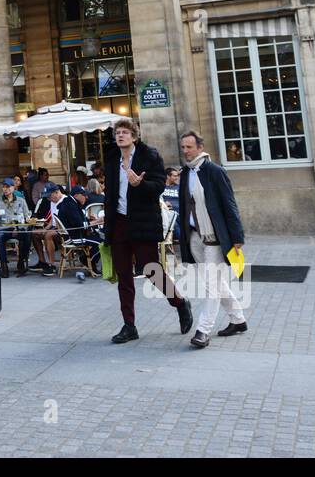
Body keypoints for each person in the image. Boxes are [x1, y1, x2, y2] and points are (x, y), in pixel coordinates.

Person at [104, 119, 192, 343]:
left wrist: (139, 185)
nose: (120, 136)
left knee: (153, 270)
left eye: (125, 132)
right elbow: (111, 194)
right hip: (119, 223)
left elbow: (159, 187)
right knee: (124, 275)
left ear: (134, 136)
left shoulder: (149, 156)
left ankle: (180, 303)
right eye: (118, 132)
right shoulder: (112, 157)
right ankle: (129, 326)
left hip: (142, 221)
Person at [177, 132, 247, 348]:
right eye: (183, 147)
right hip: (194, 237)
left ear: (200, 147)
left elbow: (229, 204)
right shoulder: (185, 174)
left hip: (215, 237)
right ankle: (238, 320)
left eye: (189, 147)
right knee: (214, 283)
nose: (186, 151)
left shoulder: (215, 171)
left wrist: (237, 236)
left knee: (211, 286)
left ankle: (203, 331)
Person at [0, 178, 32, 277]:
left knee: (26, 236)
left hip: (18, 227)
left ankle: (21, 262)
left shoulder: (21, 200)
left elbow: (27, 216)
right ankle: (4, 266)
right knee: (0, 237)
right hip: (3, 228)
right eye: (3, 187)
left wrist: (23, 223)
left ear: (13, 188)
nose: (5, 189)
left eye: (8, 187)